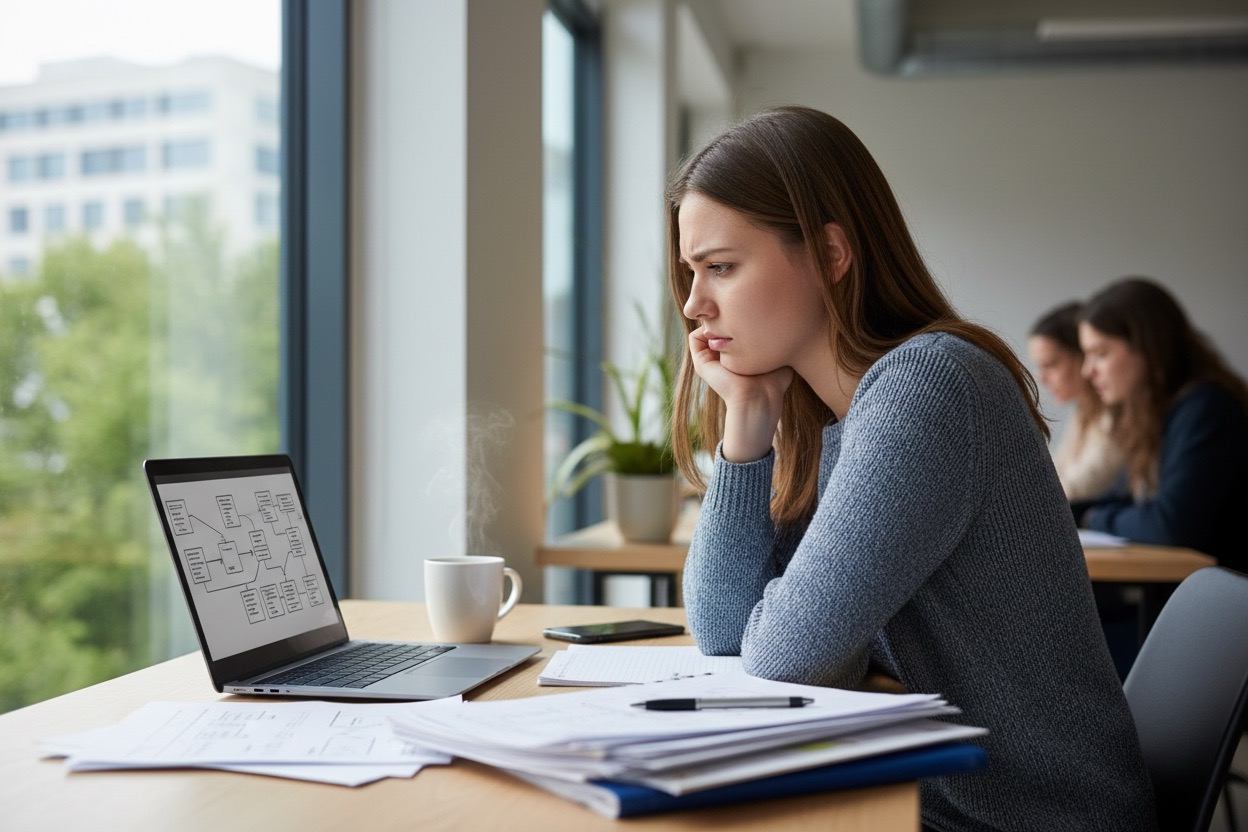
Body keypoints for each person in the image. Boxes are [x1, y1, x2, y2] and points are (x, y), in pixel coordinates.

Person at [666, 106, 1155, 831]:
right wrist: (747, 423)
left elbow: (785, 655)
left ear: (831, 253)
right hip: (938, 801)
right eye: (691, 272)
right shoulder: (831, 418)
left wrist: (808, 636)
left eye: (721, 268)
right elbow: (722, 630)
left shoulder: (927, 388)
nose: (694, 305)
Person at [1072, 277, 1248, 571]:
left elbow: (1171, 524)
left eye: (1101, 354)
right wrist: (1066, 513)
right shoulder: (1156, 413)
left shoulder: (1206, 408)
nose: (1087, 371)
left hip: (1221, 592)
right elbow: (1127, 498)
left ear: (1148, 349)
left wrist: (1093, 518)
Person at [1028, 301, 1124, 500]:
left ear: (1082, 354)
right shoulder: (1083, 411)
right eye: (1039, 366)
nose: (1041, 377)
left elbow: (1079, 485)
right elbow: (1055, 474)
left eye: (1050, 364)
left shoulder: (1117, 413)